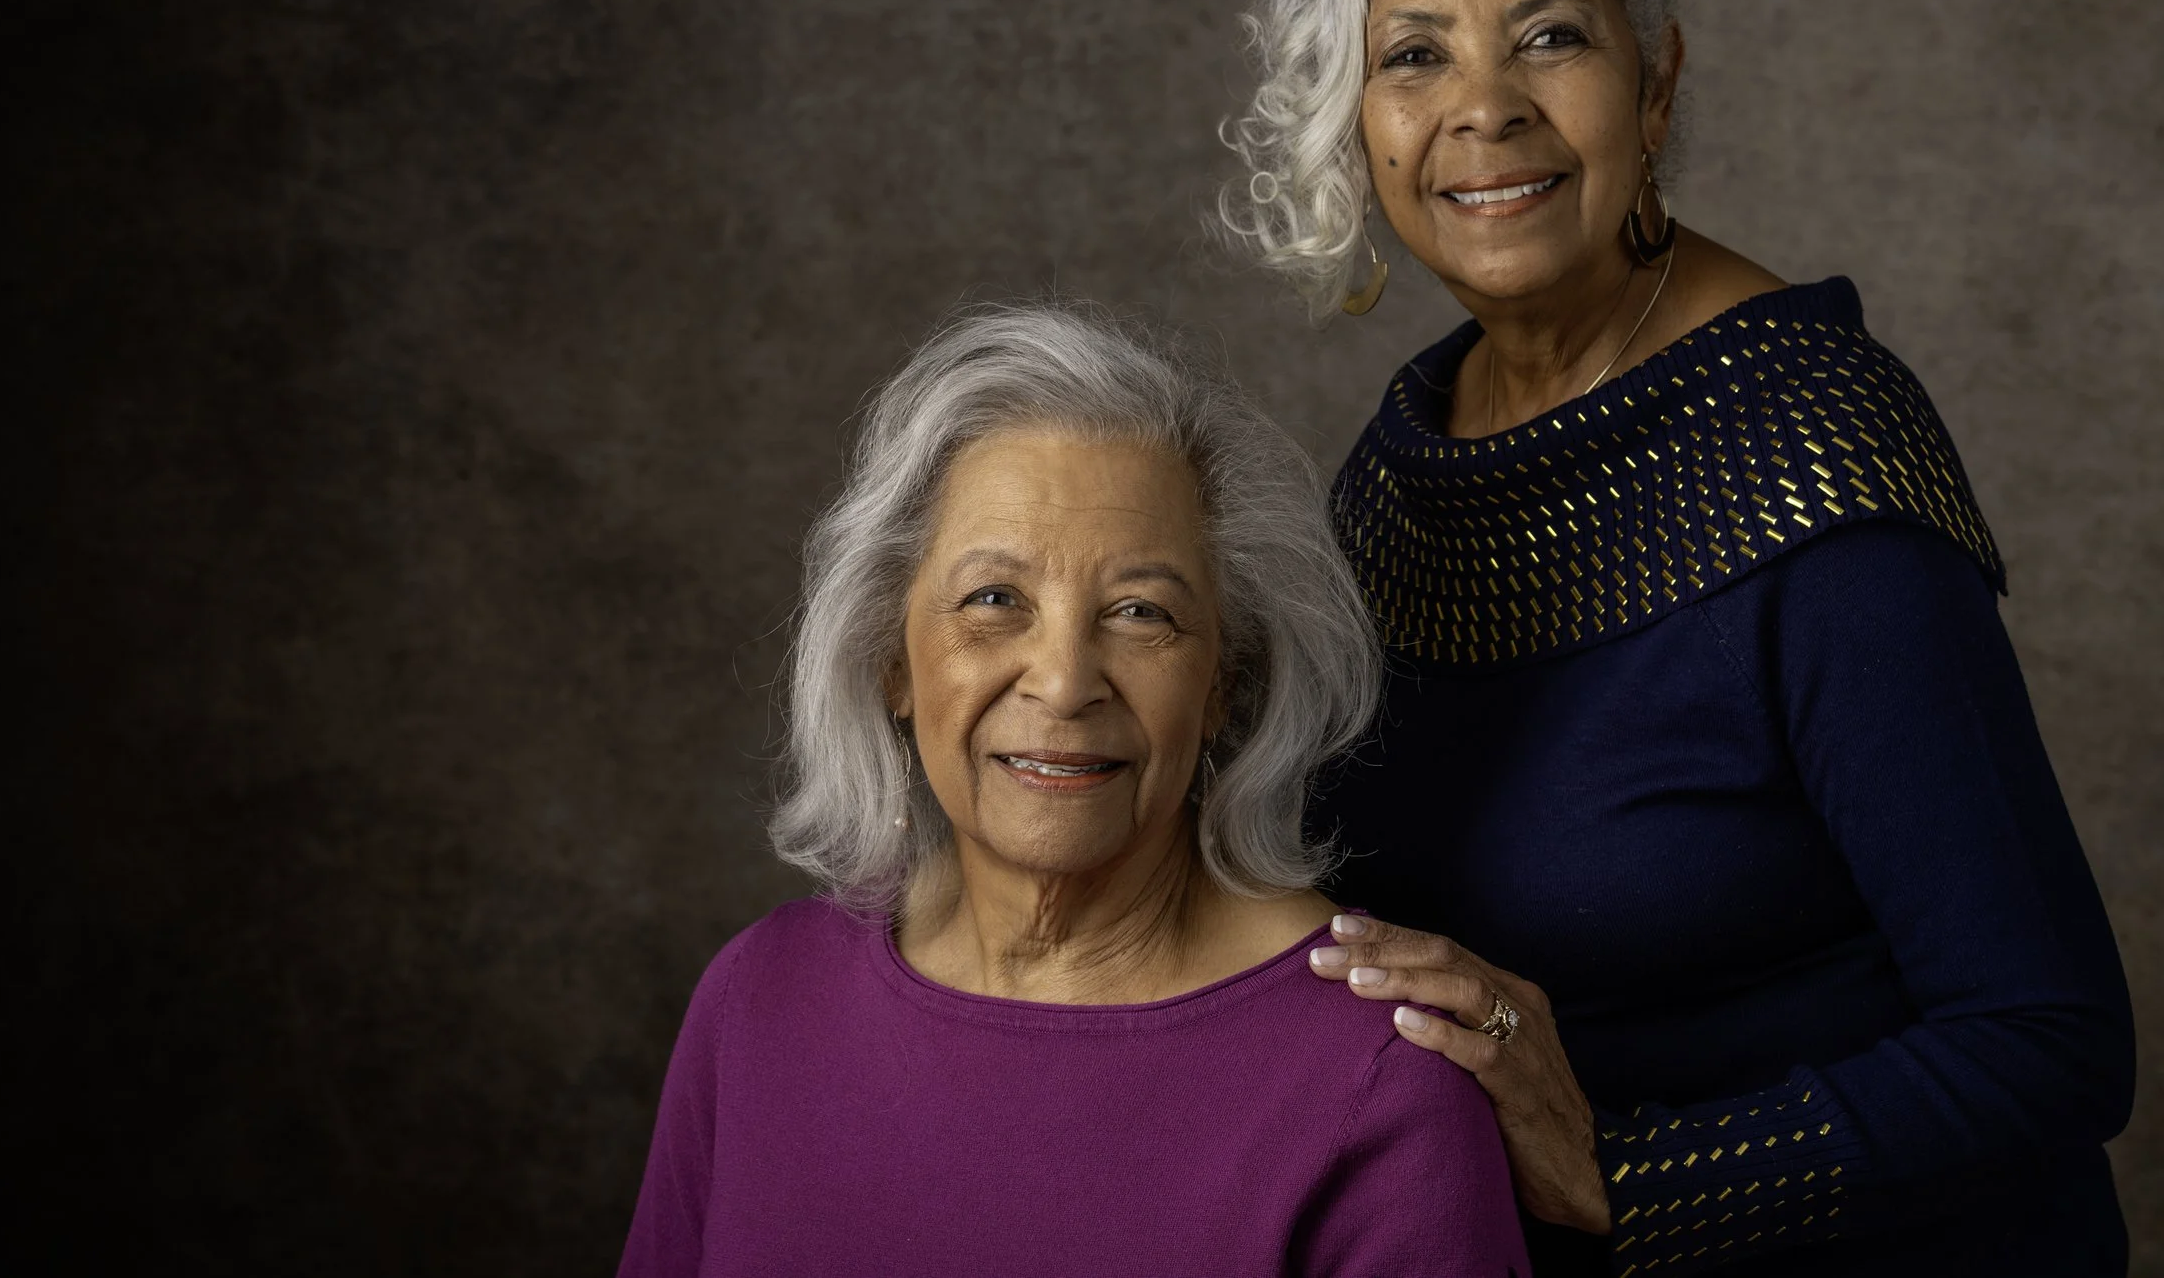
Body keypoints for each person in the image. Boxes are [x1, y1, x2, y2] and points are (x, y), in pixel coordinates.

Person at [1217, 0, 2134, 1275]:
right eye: (1415, 55)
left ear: (1655, 82)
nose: (1485, 107)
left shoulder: (1813, 454)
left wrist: (1636, 1180)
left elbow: (2053, 1040)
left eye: (1552, 37)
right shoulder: (1397, 472)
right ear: (1359, 121)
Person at [616, 303, 1530, 1278]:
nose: (1062, 682)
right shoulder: (761, 997)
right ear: (891, 657)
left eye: (1141, 611)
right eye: (994, 599)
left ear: (1222, 681)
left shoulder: (1383, 1082)